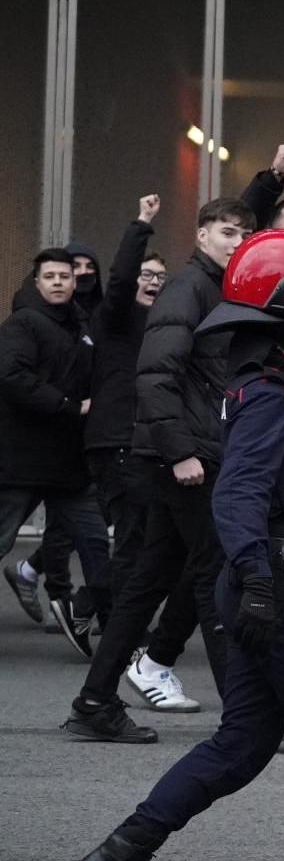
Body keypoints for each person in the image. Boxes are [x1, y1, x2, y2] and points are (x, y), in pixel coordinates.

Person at [74, 227, 284, 861]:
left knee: (240, 746)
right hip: (276, 583)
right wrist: (259, 581)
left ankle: (126, 845)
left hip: (274, 579)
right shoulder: (269, 390)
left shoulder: (282, 382)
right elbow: (236, 494)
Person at [62, 197, 256, 743]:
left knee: (148, 584)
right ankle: (244, 715)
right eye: (227, 232)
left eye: (245, 233)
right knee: (216, 576)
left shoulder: (215, 287)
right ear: (201, 235)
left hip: (181, 454)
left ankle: (95, 701)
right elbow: (155, 375)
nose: (237, 241)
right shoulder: (189, 288)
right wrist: (180, 452)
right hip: (181, 459)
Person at [0, 247, 106, 658]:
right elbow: (11, 376)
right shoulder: (23, 323)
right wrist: (68, 406)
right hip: (21, 462)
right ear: (38, 282)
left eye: (67, 276)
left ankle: (109, 629)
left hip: (68, 464)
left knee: (96, 542)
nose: (61, 281)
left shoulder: (82, 325)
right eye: (52, 276)